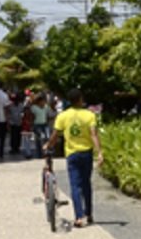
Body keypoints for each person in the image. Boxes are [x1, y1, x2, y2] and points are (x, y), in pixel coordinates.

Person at [44, 89, 103, 228]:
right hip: (87, 153)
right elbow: (94, 134)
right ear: (81, 99)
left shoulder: (63, 116)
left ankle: (79, 217)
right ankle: (89, 214)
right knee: (86, 184)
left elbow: (55, 135)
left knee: (75, 185)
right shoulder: (89, 115)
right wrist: (99, 152)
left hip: (72, 154)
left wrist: (48, 145)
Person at [29, 92, 50, 160]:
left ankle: (44, 153)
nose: (44, 102)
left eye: (44, 101)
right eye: (42, 101)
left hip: (44, 125)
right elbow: (32, 117)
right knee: (40, 139)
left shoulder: (46, 107)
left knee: (45, 138)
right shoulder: (34, 108)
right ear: (39, 101)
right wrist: (31, 125)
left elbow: (47, 115)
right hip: (37, 125)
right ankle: (39, 154)